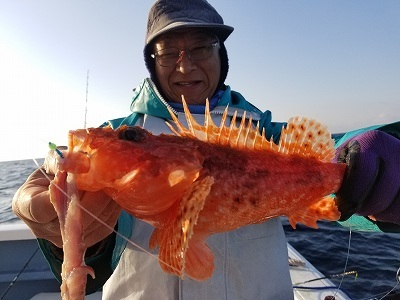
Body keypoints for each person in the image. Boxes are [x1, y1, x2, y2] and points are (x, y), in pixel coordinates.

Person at [12, 0, 400, 299]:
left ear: (221, 55)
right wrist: (60, 227)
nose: (185, 66)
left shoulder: (263, 133)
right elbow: (86, 246)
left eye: (200, 48)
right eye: (168, 53)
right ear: (152, 62)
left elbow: (337, 156)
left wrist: (377, 160)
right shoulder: (119, 134)